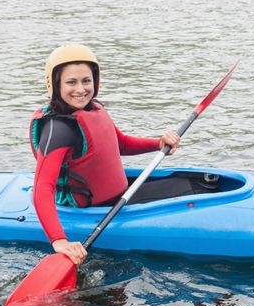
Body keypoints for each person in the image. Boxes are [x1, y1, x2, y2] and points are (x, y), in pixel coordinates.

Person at [29, 44, 180, 266]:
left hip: (117, 196)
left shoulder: (93, 108)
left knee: (195, 184)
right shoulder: (58, 128)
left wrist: (158, 143)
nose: (80, 89)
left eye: (86, 81)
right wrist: (59, 241)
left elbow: (121, 144)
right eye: (71, 82)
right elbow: (42, 187)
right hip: (91, 208)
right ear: (55, 85)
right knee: (187, 190)